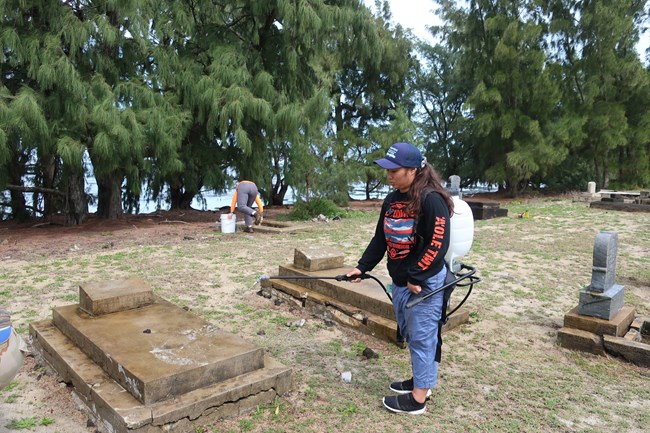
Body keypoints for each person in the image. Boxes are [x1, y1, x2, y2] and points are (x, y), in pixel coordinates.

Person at [346, 142, 454, 415]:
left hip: (424, 283)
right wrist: (362, 266)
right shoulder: (392, 200)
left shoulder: (431, 200)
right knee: (411, 332)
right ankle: (422, 380)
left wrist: (417, 275)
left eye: (395, 170)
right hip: (402, 281)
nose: (390, 175)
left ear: (414, 170)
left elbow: (437, 245)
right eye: (388, 170)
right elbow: (381, 237)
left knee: (422, 337)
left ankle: (418, 399)